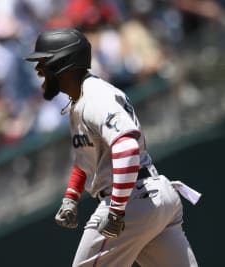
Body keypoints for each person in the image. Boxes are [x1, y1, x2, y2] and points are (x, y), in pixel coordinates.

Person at [25, 28, 200, 267]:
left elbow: (126, 147)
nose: (38, 69)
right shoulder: (81, 101)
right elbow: (85, 161)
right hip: (154, 197)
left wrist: (117, 210)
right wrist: (71, 197)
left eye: (44, 62)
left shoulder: (96, 97)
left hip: (131, 201)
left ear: (63, 63)